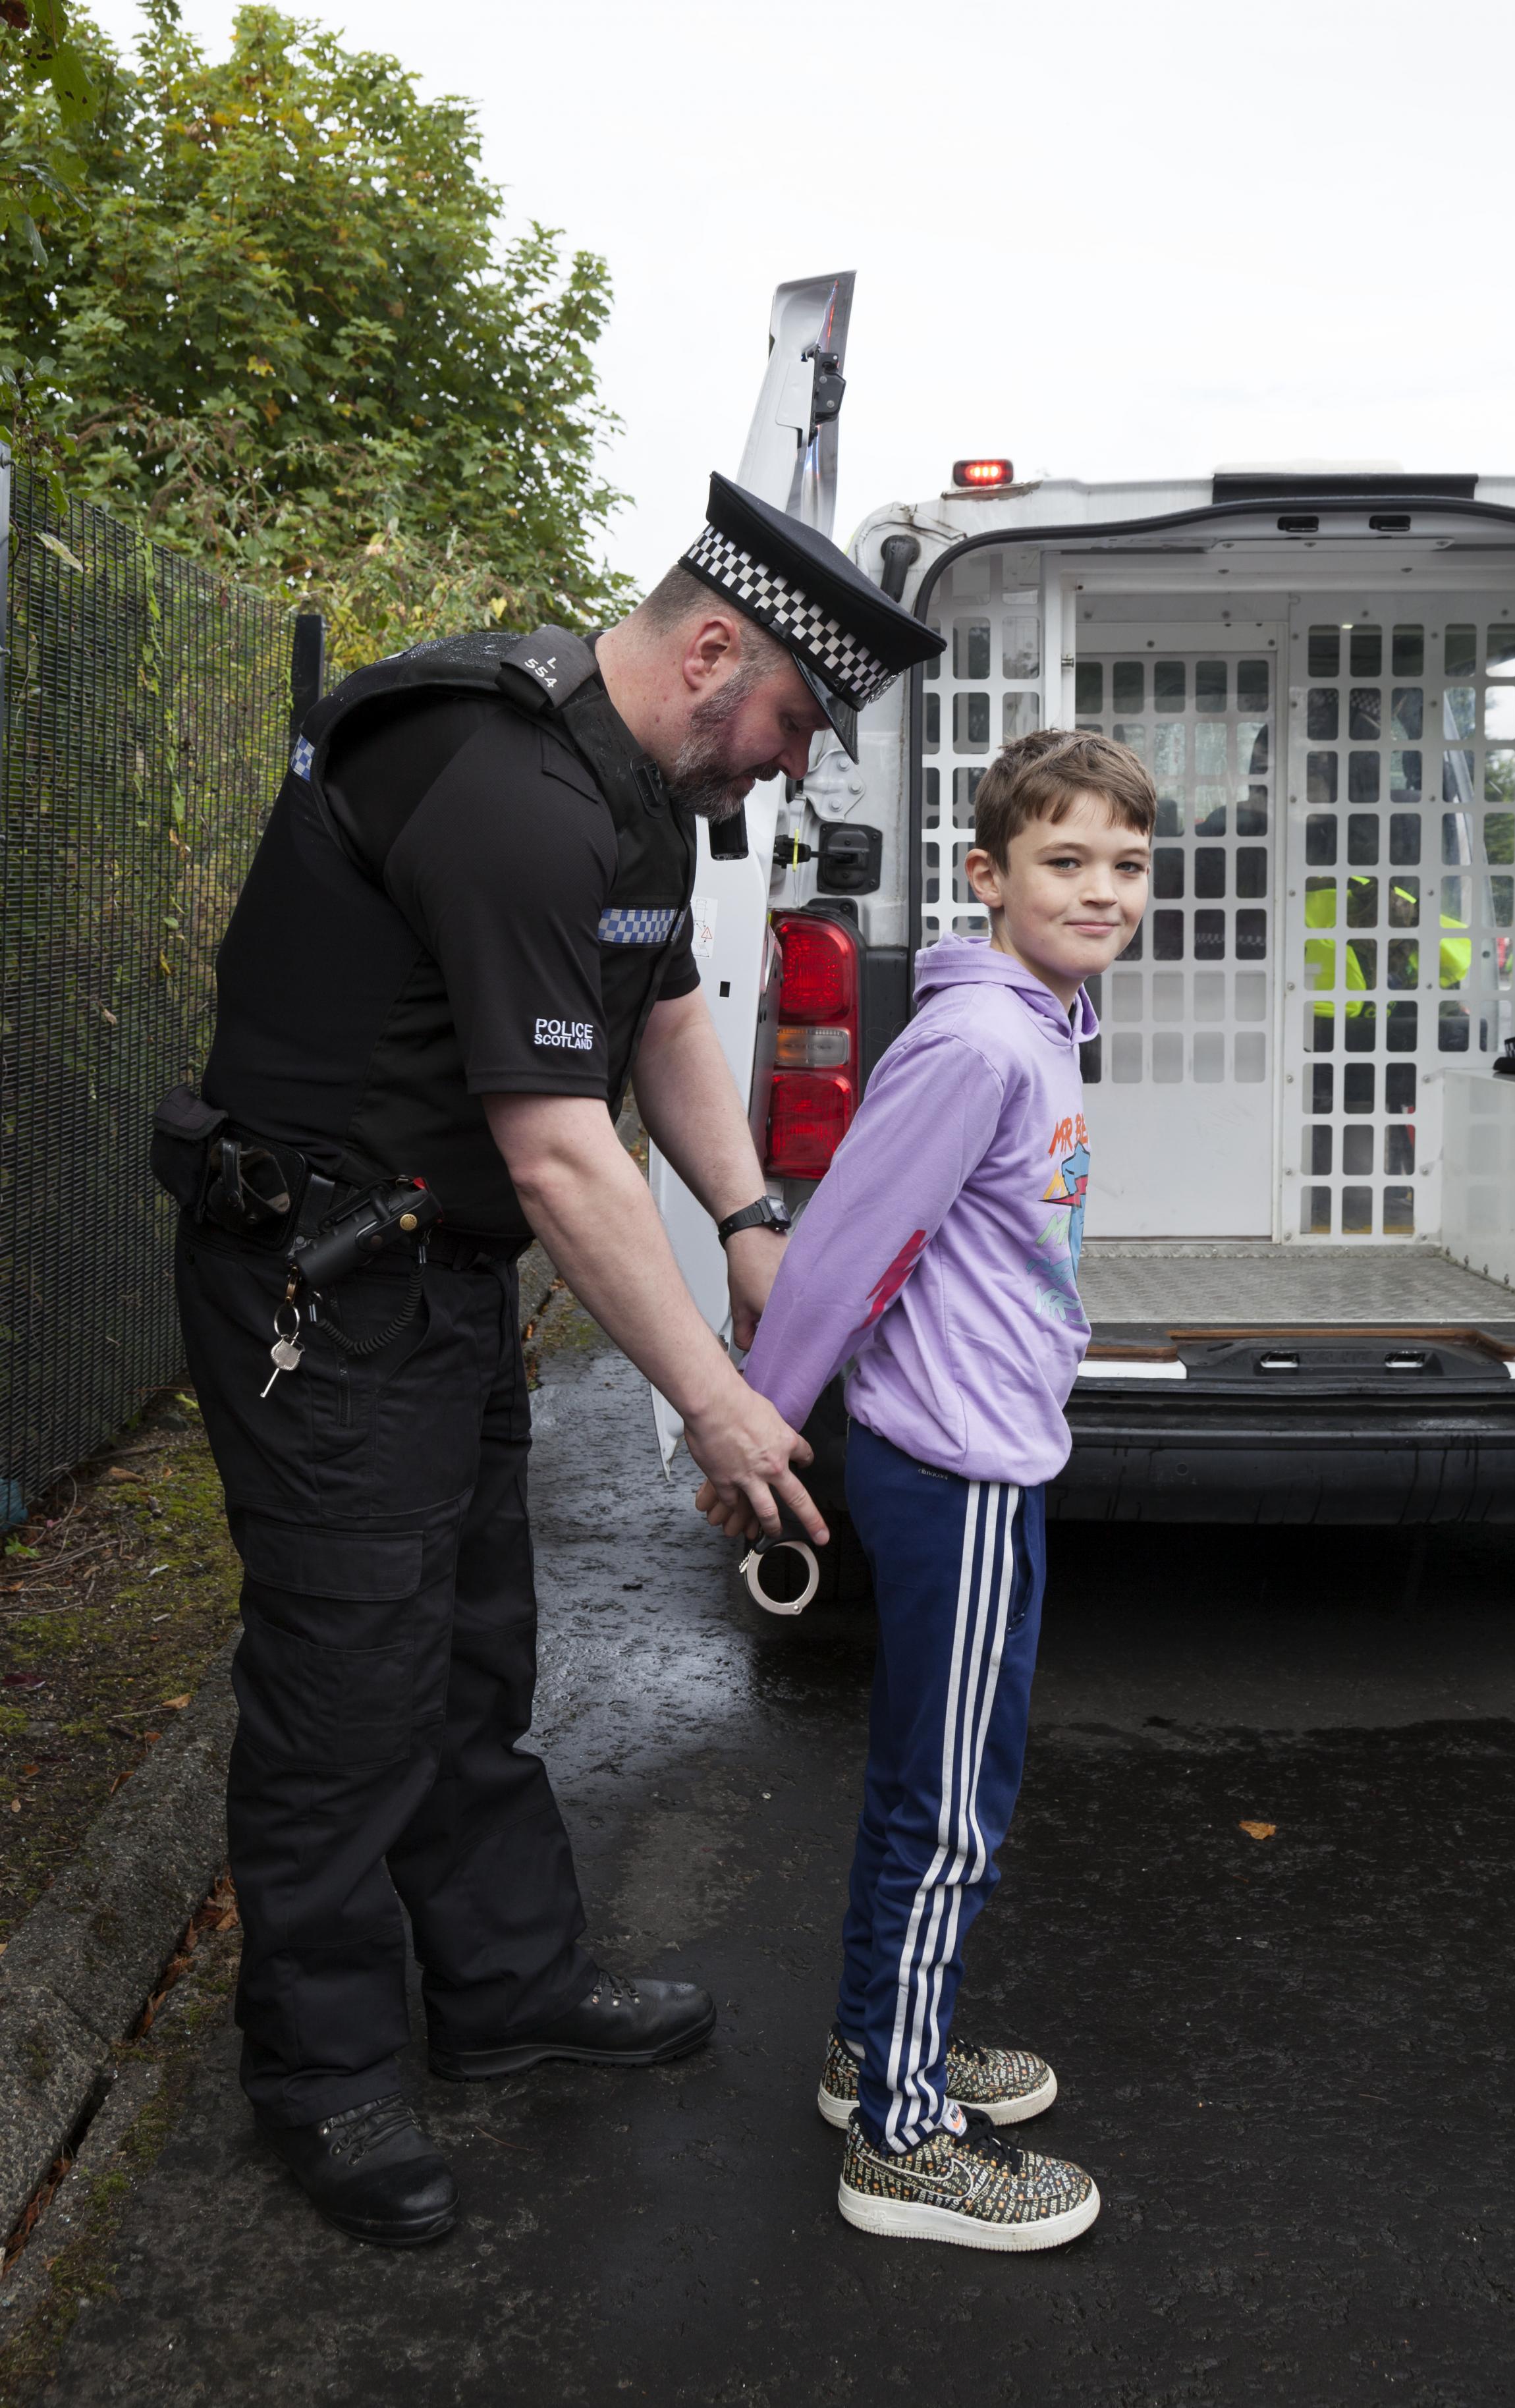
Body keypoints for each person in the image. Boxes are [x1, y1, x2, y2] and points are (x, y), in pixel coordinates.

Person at [157, 473, 944, 2247]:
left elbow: (657, 1009)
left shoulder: (637, 793)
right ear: (714, 647)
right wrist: (722, 1407)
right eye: (794, 725)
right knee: (348, 1690)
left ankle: (504, 1987)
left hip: (429, 1285)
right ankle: (327, 2072)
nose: (788, 768)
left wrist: (749, 1217)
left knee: (469, 1651)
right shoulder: (501, 785)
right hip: (316, 1287)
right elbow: (560, 1154)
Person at [702, 728, 1155, 2251]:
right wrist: (754, 1432)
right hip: (953, 1469)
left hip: (985, 1452)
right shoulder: (979, 1045)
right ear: (989, 875)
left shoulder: (1040, 1024)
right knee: (953, 1808)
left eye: (1128, 866)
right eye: (1066, 861)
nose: (1102, 891)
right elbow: (841, 1252)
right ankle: (900, 2136)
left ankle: (871, 2050)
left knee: (925, 1782)